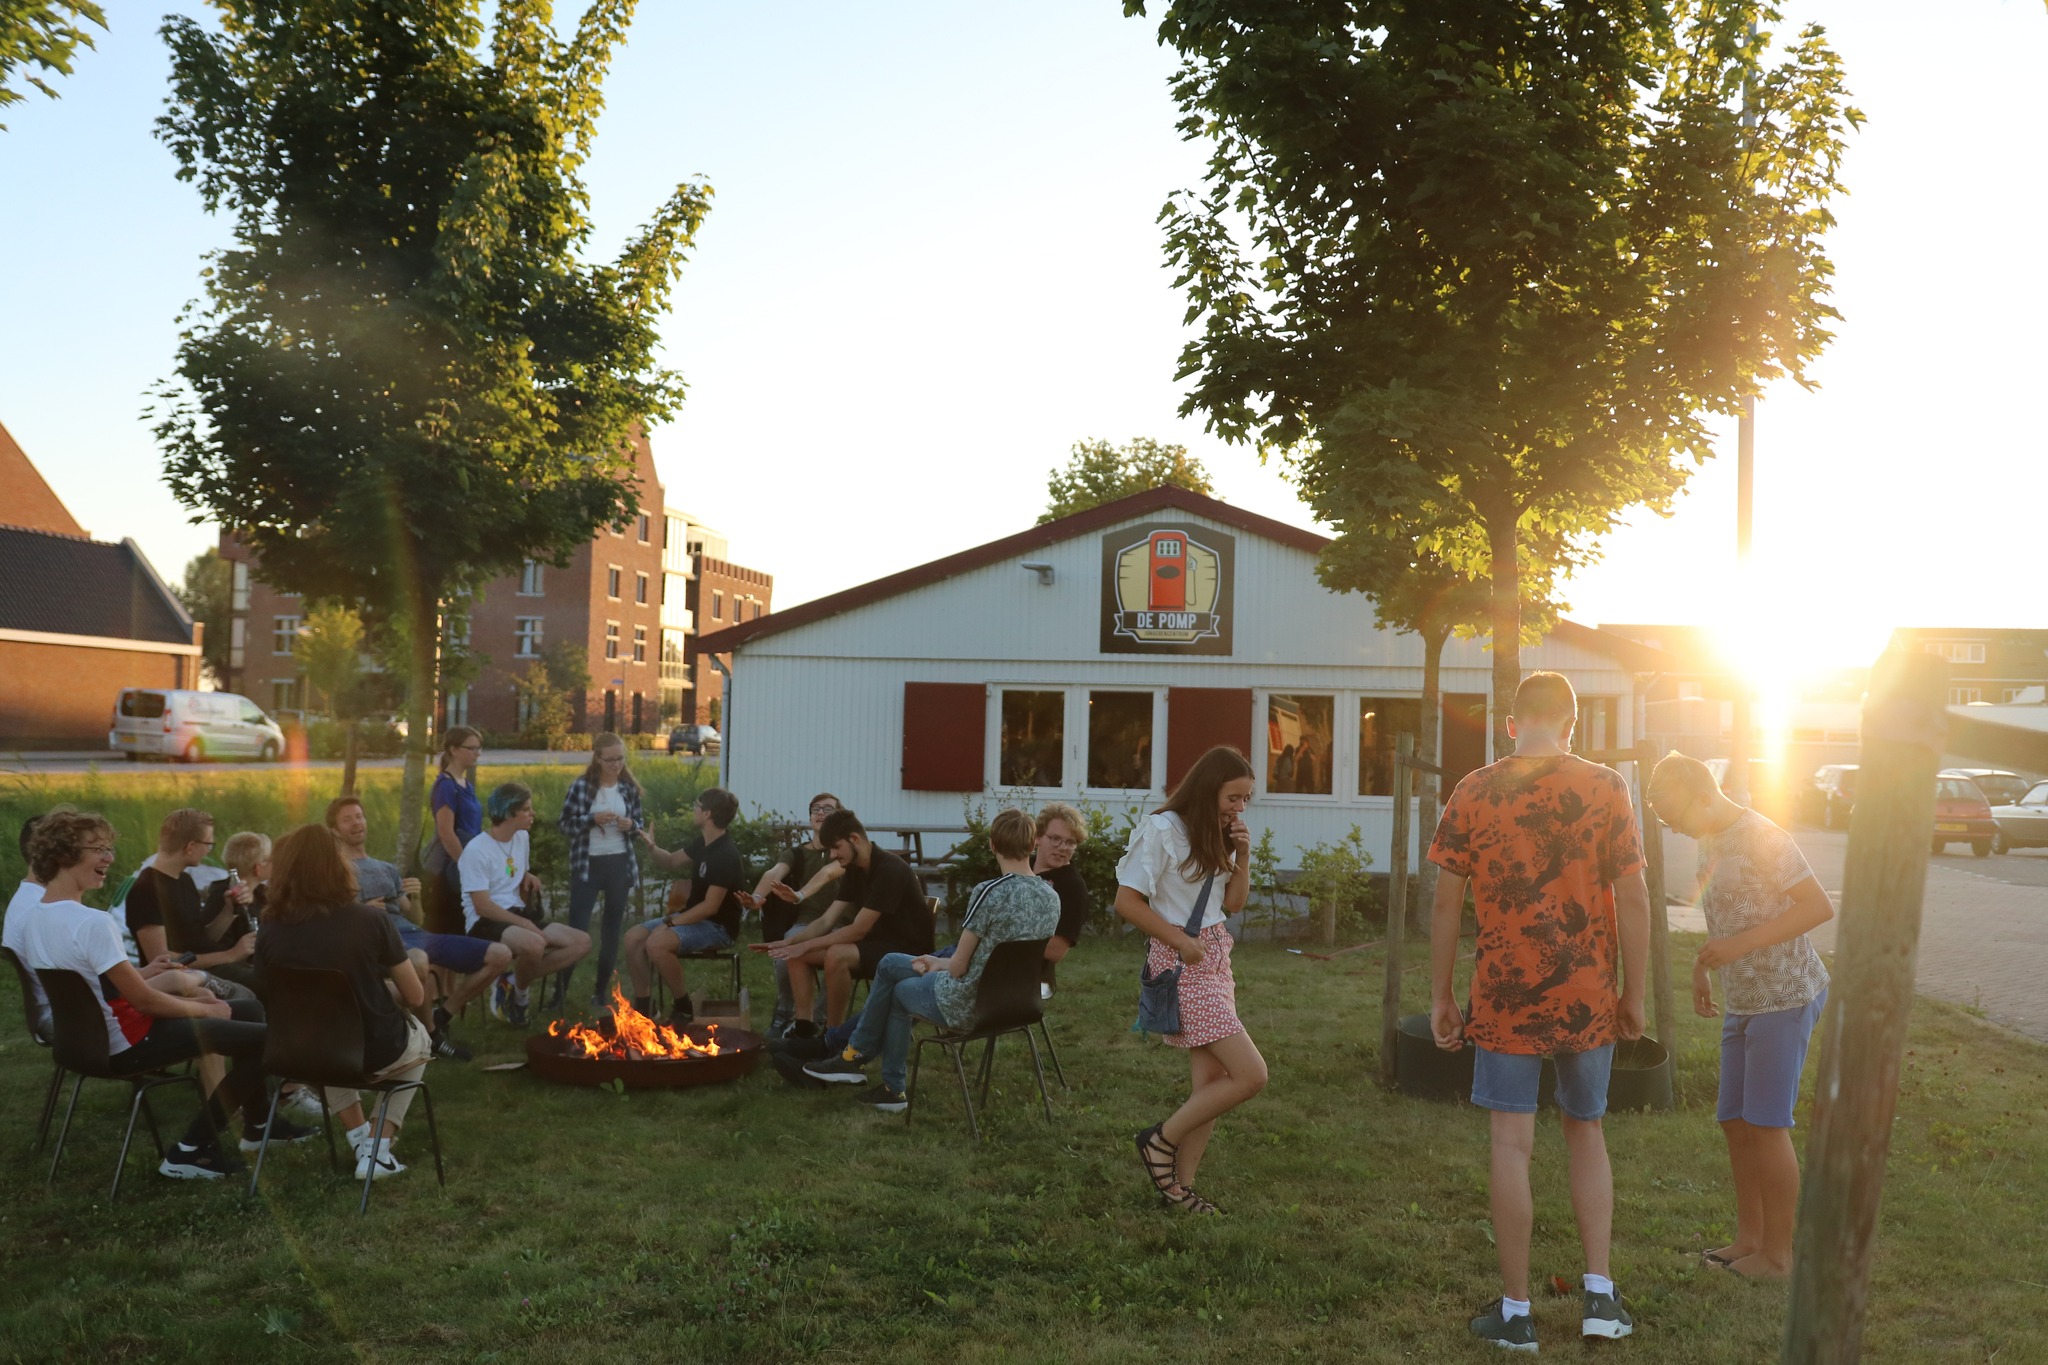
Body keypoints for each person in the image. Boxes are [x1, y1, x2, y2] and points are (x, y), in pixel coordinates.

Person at [1427, 671, 1648, 1350]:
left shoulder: (1473, 789)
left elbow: (1444, 901)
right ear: (1573, 724)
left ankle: (1518, 1312)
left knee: (1510, 1146)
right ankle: (1601, 1299)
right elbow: (1634, 898)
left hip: (1504, 996)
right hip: (1587, 996)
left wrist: (1440, 994)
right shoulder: (1607, 786)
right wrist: (1634, 992)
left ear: (1512, 723)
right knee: (1586, 1131)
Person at [14, 810, 313, 1179]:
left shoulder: (35, 917)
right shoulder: (93, 922)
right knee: (269, 1042)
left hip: (86, 1043)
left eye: (109, 849)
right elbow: (144, 1002)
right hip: (129, 1041)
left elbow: (92, 986)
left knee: (248, 1007)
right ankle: (191, 1148)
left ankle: (257, 1124)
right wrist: (203, 1011)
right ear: (63, 856)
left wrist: (143, 975)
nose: (110, 858)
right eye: (98, 850)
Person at [1649, 751, 1833, 1282]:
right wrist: (1707, 965)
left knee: (1766, 1125)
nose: (1681, 831)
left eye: (1681, 819)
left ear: (1705, 796)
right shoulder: (1712, 837)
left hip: (1786, 995)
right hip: (1744, 999)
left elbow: (1818, 906)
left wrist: (1739, 948)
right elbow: (1727, 911)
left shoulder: (1761, 835)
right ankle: (1750, 1239)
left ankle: (1778, 1257)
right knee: (1734, 1120)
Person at [804, 808, 1060, 1110]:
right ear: (1033, 846)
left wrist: (937, 964)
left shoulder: (989, 892)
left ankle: (880, 1077)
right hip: (1019, 1004)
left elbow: (959, 966)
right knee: (892, 966)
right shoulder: (1051, 896)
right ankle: (859, 1061)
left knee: (896, 984)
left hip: (969, 1004)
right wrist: (933, 961)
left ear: (992, 845)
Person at [1119, 745, 1268, 1217]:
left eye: (1246, 800)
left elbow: (1235, 903)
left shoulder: (1216, 833)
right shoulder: (1162, 831)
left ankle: (1178, 1191)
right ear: (1209, 789)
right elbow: (1127, 901)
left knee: (1212, 1081)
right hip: (1183, 962)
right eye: (1233, 797)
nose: (1239, 808)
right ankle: (1159, 1142)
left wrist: (1243, 852)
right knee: (1250, 1075)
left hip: (1215, 955)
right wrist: (1178, 942)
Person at [255, 824, 434, 1181]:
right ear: (337, 866)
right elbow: (415, 996)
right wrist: (378, 990)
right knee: (420, 1038)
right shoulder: (370, 919)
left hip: (297, 1053)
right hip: (370, 1051)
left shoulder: (269, 926)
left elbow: (266, 989)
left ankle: (358, 1139)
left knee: (328, 1032)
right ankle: (378, 1149)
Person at [329, 794, 505, 1060]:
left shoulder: (386, 869)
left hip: (415, 935)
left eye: (359, 816)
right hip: (380, 940)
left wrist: (417, 896)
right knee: (419, 961)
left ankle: (442, 1014)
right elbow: (336, 919)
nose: (356, 823)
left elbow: (415, 917)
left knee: (500, 955)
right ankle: (431, 1036)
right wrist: (363, 912)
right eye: (347, 819)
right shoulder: (336, 871)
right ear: (335, 830)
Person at [756, 808, 935, 1038]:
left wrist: (808, 944)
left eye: (835, 847)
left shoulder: (890, 869)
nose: (831, 855)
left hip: (907, 952)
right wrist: (788, 943)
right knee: (797, 955)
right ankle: (804, 1028)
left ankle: (832, 1035)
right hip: (876, 944)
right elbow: (826, 921)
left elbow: (858, 930)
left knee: (836, 954)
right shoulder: (854, 868)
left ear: (855, 839)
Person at [458, 783, 589, 1027]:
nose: (533, 814)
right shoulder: (476, 850)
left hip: (515, 913)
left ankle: (510, 980)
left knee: (581, 942)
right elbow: (482, 906)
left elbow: (514, 872)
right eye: (527, 809)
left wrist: (528, 877)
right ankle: (520, 997)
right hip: (484, 922)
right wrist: (526, 923)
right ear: (509, 813)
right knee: (535, 943)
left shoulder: (521, 837)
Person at [623, 787, 746, 1026]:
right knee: (632, 937)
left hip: (717, 927)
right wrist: (651, 847)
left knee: (657, 943)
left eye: (696, 806)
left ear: (708, 814)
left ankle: (683, 1007)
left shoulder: (726, 855)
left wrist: (670, 923)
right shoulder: (704, 843)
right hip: (693, 917)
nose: (694, 810)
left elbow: (710, 907)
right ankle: (645, 1005)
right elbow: (669, 861)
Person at [740, 791, 846, 1036]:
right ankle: (786, 1011)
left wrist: (800, 893)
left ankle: (817, 1019)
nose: (820, 813)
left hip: (842, 924)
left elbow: (829, 873)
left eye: (828, 809)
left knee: (839, 959)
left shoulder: (843, 851)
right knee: (784, 954)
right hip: (806, 923)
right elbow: (774, 872)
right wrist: (757, 898)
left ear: (839, 816)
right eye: (815, 809)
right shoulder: (797, 853)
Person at [554, 733, 645, 1010]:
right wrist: (591, 819)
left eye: (620, 758)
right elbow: (564, 825)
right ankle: (560, 992)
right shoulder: (582, 787)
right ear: (597, 758)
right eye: (610, 759)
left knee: (611, 930)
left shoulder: (628, 788)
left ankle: (600, 991)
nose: (616, 764)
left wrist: (632, 825)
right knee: (577, 929)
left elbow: (639, 823)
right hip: (588, 864)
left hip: (618, 862)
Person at [424, 726, 485, 933]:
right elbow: (446, 832)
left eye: (479, 748)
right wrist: (467, 866)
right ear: (454, 750)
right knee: (453, 929)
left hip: (466, 865)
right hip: (449, 870)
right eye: (472, 748)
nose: (478, 753)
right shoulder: (446, 786)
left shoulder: (466, 784)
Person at [1033, 802, 1091, 999]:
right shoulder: (1022, 873)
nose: (1062, 848)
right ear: (1037, 837)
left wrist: (997, 939)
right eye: (1055, 839)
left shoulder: (1071, 886)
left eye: (1070, 842)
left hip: (1024, 978)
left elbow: (1056, 951)